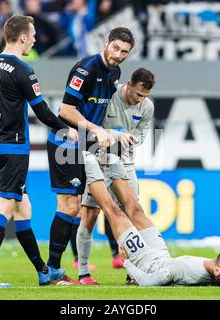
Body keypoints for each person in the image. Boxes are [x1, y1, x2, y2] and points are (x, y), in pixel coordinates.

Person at [0, 14, 78, 288]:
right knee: (5, 206)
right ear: (21, 37)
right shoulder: (23, 69)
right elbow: (41, 110)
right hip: (14, 148)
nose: (33, 39)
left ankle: (44, 271)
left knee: (22, 208)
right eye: (31, 35)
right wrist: (65, 129)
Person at [45, 27, 135, 285]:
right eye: (116, 48)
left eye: (125, 52)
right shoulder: (85, 69)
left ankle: (68, 271)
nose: (118, 55)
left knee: (85, 209)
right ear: (106, 43)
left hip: (87, 145)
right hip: (66, 142)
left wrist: (115, 133)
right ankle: (52, 271)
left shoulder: (114, 72)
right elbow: (66, 110)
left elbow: (102, 112)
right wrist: (97, 130)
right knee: (70, 207)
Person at [82, 151, 220, 287]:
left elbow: (148, 282)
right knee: (136, 210)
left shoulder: (186, 272)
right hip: (161, 254)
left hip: (147, 262)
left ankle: (87, 158)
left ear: (217, 271)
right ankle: (110, 157)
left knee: (113, 211)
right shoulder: (208, 270)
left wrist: (127, 262)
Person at [77, 67, 156, 284]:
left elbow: (141, 134)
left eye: (145, 96)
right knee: (90, 216)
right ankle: (83, 272)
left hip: (126, 163)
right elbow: (93, 125)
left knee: (134, 213)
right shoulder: (108, 97)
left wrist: (131, 138)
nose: (140, 99)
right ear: (129, 84)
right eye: (138, 94)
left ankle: (135, 273)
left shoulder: (147, 106)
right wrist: (115, 135)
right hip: (99, 160)